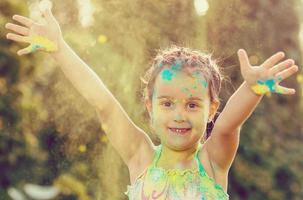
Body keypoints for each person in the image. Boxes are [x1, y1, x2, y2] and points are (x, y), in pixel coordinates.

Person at [5, 7, 299, 200]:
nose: (179, 115)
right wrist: (60, 49)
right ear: (150, 106)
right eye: (168, 103)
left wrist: (252, 89)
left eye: (193, 105)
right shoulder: (140, 156)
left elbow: (227, 127)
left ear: (212, 109)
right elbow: (104, 104)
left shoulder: (212, 162)